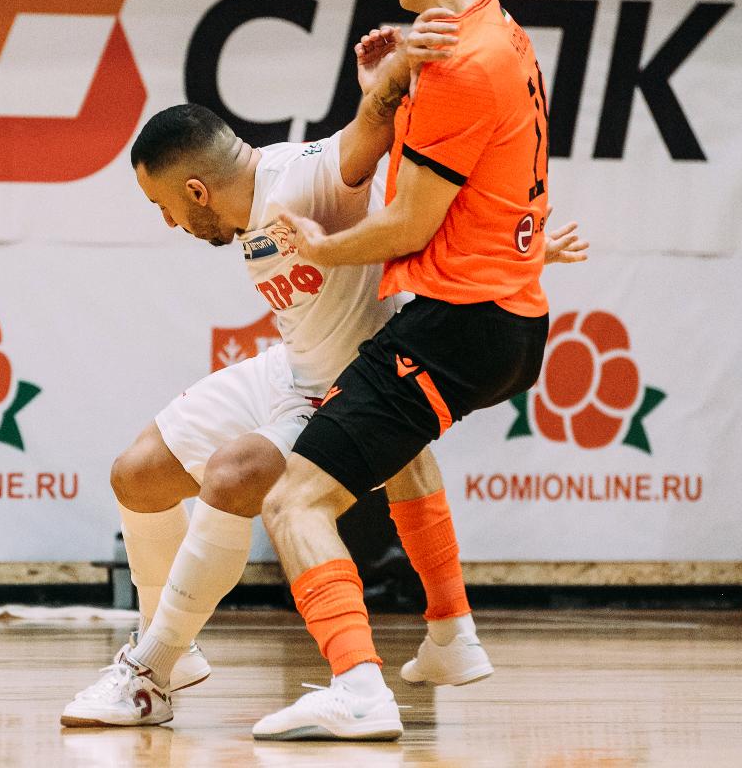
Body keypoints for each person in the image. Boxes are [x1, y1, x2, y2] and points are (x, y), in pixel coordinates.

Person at [61, 37, 582, 725]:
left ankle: (152, 667)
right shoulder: (253, 203)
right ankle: (172, 641)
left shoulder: (305, 177)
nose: (168, 221)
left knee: (234, 474)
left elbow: (369, 130)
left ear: (196, 190)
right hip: (293, 364)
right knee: (136, 475)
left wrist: (393, 74)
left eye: (163, 206)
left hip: (348, 387)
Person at [250, 0, 552, 742]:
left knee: (295, 500)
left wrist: (318, 246)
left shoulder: (459, 59)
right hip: (509, 320)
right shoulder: (499, 34)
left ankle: (357, 688)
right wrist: (388, 83)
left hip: (461, 324)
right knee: (400, 450)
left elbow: (411, 223)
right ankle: (451, 634)